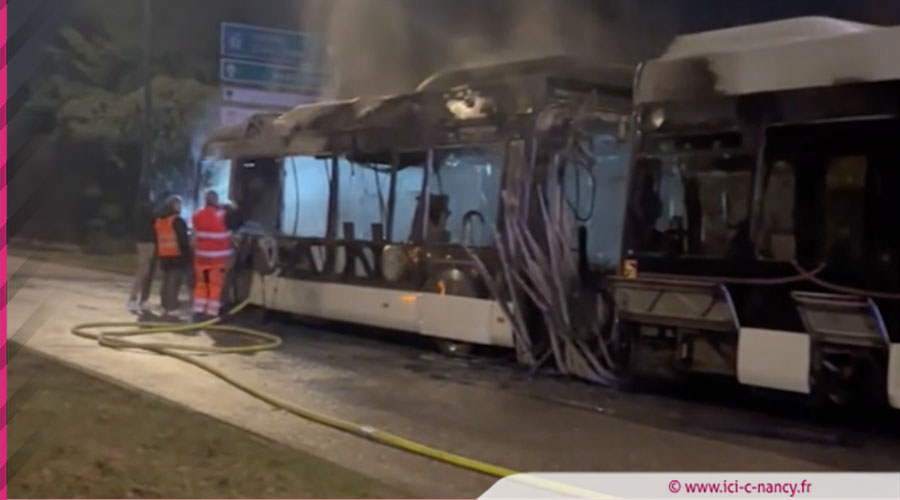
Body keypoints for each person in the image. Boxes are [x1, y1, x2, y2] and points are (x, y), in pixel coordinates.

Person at [192, 190, 233, 320]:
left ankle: (198, 311)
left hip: (201, 257)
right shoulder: (223, 215)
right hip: (218, 259)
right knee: (215, 285)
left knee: (201, 284)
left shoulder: (197, 214)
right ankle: (211, 313)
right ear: (216, 200)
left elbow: (195, 233)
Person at [154, 195, 191, 318]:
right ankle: (172, 307)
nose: (181, 207)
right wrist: (187, 255)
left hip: (163, 255)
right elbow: (183, 240)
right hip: (176, 255)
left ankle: (164, 305)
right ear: (175, 206)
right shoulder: (177, 221)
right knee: (174, 283)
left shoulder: (160, 220)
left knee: (165, 282)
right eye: (180, 205)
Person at [127, 192, 158, 314]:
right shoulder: (147, 210)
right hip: (148, 242)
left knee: (144, 271)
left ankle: (139, 300)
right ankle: (134, 299)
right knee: (143, 271)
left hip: (140, 241)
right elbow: (155, 220)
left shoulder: (138, 210)